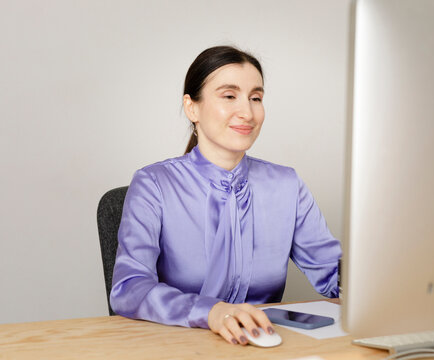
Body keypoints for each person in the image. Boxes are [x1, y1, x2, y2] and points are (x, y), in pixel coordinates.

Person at [110, 45, 342, 346]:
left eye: (256, 98)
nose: (247, 112)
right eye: (229, 96)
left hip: (261, 345)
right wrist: (211, 312)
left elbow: (332, 271)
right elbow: (129, 287)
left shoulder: (286, 184)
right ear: (192, 107)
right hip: (177, 344)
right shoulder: (153, 184)